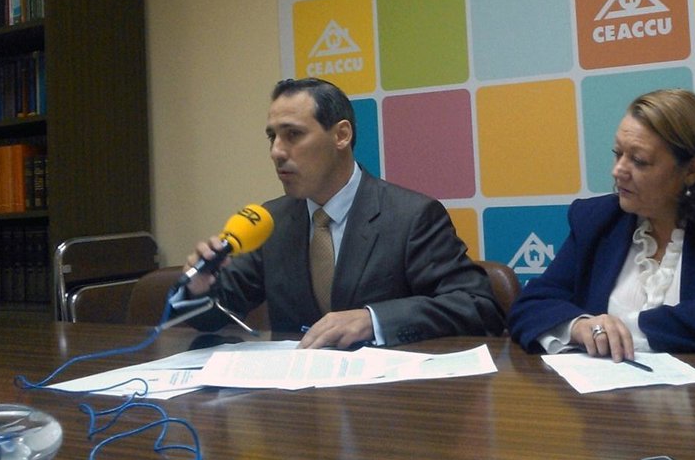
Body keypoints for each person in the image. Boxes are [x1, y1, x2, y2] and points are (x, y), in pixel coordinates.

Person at [182, 77, 505, 347]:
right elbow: (215, 315)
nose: (276, 152)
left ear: (341, 135)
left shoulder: (411, 216)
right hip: (295, 393)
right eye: (272, 137)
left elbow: (476, 306)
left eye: (293, 134)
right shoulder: (272, 221)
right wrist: (199, 287)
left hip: (387, 394)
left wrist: (373, 320)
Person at [507, 88, 695, 358]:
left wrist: (625, 329)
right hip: (610, 391)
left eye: (639, 160)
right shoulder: (597, 219)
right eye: (618, 154)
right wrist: (580, 327)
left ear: (692, 170)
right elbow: (532, 304)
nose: (618, 171)